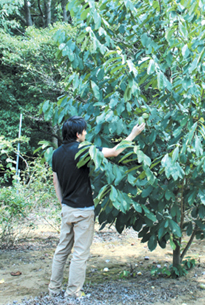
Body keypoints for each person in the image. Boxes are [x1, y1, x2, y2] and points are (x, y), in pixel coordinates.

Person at [48, 116, 145, 298]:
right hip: (83, 210)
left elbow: (55, 181)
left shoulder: (56, 154)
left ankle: (53, 290)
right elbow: (116, 152)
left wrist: (63, 204)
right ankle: (72, 293)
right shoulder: (85, 150)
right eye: (84, 131)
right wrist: (133, 133)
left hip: (67, 209)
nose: (86, 133)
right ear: (78, 134)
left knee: (61, 250)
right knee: (80, 253)